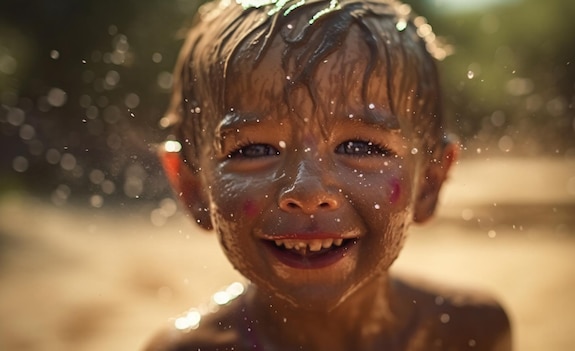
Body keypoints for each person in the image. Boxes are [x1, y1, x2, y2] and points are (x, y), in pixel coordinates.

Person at [145, 0, 511, 349]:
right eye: (253, 150)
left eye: (360, 148)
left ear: (429, 183)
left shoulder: (469, 335)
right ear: (192, 188)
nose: (306, 189)